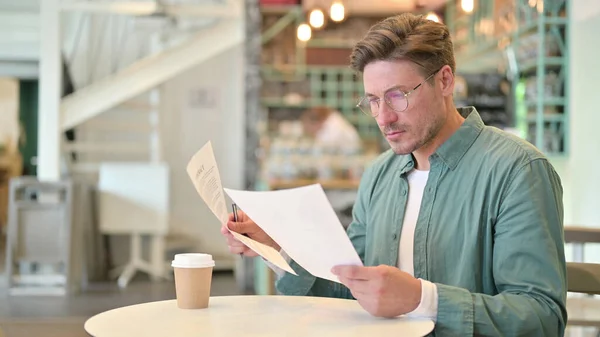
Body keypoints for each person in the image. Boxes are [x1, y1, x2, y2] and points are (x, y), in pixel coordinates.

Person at [221, 13, 566, 336]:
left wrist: (422, 299)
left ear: (445, 81)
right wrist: (280, 249)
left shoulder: (517, 171)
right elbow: (346, 290)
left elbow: (541, 316)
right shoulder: (379, 176)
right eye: (372, 100)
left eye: (397, 96)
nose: (383, 117)